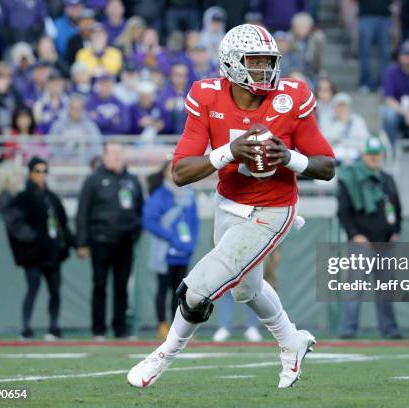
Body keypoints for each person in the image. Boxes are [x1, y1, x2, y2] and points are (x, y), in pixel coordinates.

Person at [127, 24, 335, 389]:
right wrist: (227, 153)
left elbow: (327, 165)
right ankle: (291, 341)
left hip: (274, 208)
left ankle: (163, 355)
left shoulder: (291, 97)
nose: (264, 70)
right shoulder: (207, 96)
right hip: (229, 203)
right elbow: (180, 171)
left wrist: (289, 157)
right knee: (246, 290)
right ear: (231, 64)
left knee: (196, 290)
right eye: (254, 63)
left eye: (268, 62)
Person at [336, 137, 402, 339]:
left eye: (377, 154)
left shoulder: (387, 179)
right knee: (354, 289)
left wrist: (396, 230)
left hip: (384, 243)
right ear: (364, 155)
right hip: (361, 244)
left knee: (385, 291)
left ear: (382, 155)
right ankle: (348, 330)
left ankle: (390, 330)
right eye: (370, 154)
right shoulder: (350, 178)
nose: (374, 158)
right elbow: (343, 212)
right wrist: (355, 234)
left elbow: (397, 209)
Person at [76, 141, 144, 339]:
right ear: (104, 156)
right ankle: (98, 329)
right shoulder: (93, 180)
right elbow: (83, 212)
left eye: (118, 153)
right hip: (100, 240)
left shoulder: (131, 180)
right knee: (100, 285)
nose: (115, 157)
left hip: (125, 242)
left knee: (122, 287)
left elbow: (140, 209)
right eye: (112, 153)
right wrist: (82, 242)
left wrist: (135, 233)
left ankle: (120, 328)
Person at [2, 157, 75, 339]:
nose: (41, 175)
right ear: (31, 173)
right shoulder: (23, 198)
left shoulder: (51, 198)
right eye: (38, 171)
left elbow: (62, 225)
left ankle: (54, 327)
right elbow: (15, 223)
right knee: (32, 288)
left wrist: (75, 243)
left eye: (44, 171)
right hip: (34, 254)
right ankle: (26, 327)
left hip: (53, 253)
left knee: (55, 290)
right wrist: (35, 238)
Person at [144, 161, 199, 340]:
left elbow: (194, 223)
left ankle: (179, 327)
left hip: (183, 253)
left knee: (181, 292)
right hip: (165, 253)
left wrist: (190, 244)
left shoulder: (190, 196)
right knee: (163, 289)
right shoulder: (159, 195)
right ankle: (162, 325)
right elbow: (150, 221)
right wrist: (171, 237)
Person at [48, 94, 102, 163]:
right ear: (68, 108)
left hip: (85, 163)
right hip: (62, 163)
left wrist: (82, 160)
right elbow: (51, 145)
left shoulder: (90, 125)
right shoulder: (58, 125)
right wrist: (65, 160)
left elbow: (96, 145)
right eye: (72, 108)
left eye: (78, 108)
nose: (75, 111)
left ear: (83, 109)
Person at [320, 92, 370, 165]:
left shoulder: (358, 120)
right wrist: (341, 124)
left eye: (344, 106)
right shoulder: (328, 120)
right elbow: (325, 141)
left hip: (355, 154)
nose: (342, 109)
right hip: (335, 156)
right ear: (334, 108)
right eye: (339, 106)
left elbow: (365, 140)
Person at [357, 0, 392, 92]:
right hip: (366, 16)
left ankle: (383, 84)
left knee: (384, 53)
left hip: (385, 16)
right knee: (365, 51)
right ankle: (365, 83)